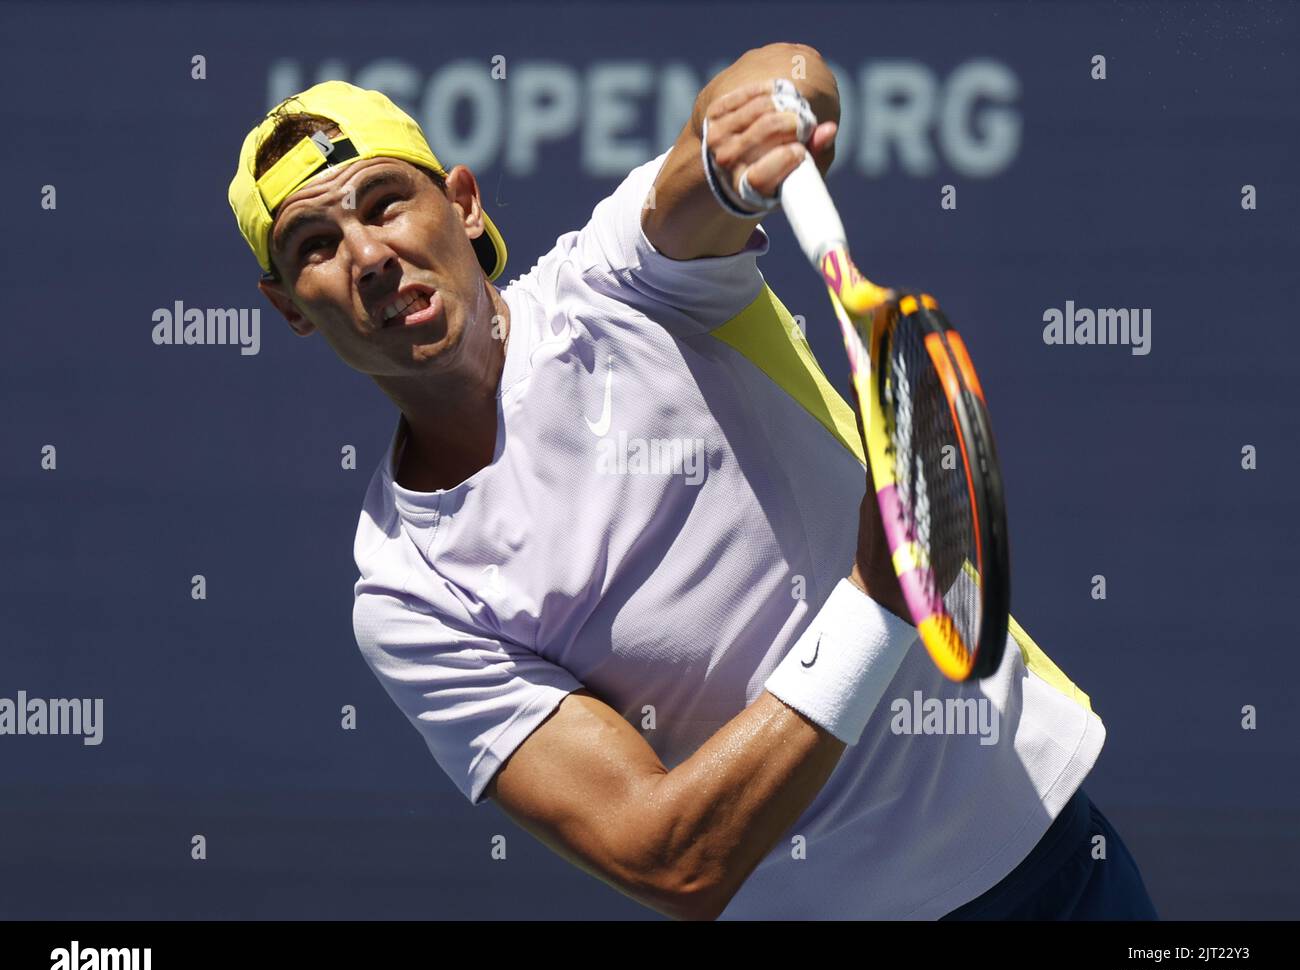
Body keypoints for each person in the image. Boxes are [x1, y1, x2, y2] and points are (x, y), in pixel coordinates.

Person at [228, 43, 1156, 921]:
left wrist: (773, 111)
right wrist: (877, 598)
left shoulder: (618, 280)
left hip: (1050, 841)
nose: (369, 255)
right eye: (314, 243)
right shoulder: (407, 594)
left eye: (385, 201)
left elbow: (762, 91)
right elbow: (668, 857)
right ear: (288, 308)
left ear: (463, 203)